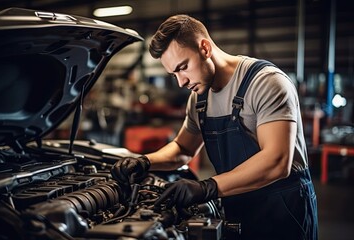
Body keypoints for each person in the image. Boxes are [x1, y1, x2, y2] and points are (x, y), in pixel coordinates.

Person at [111, 14, 318, 239]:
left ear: (205, 48)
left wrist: (207, 187)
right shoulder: (199, 98)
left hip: (283, 210)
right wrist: (145, 161)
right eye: (174, 74)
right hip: (237, 205)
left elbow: (277, 161)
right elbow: (183, 148)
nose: (181, 82)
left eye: (183, 67)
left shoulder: (266, 83)